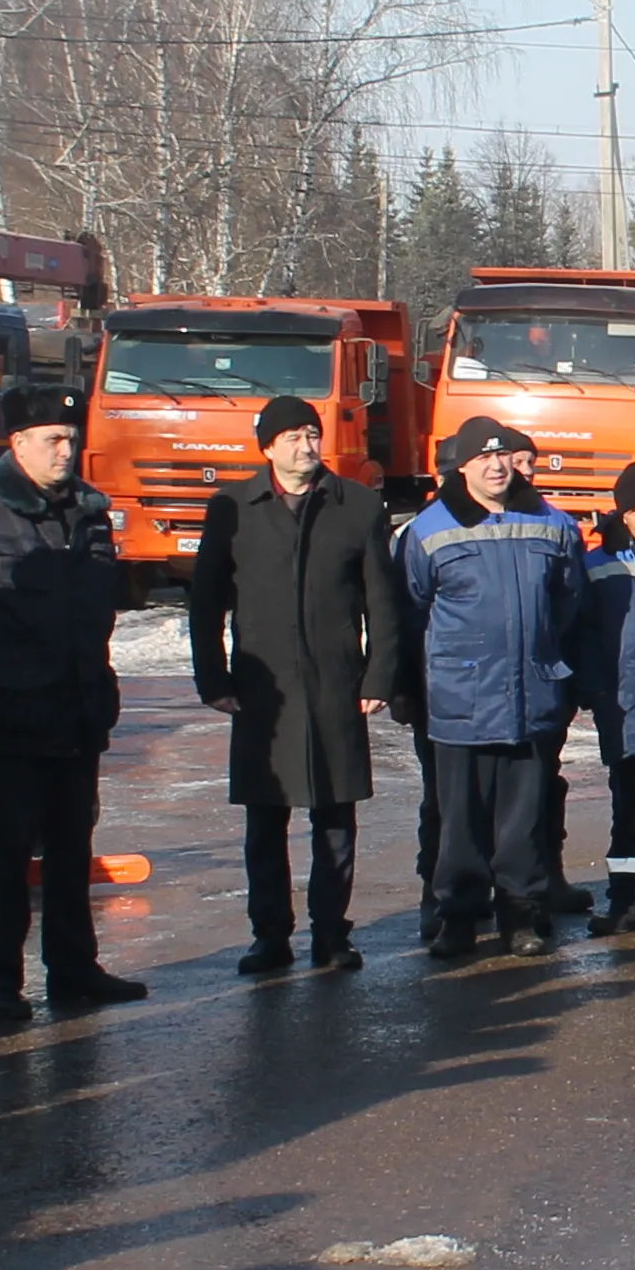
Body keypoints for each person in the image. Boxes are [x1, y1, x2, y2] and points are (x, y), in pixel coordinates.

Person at [0, 386, 147, 1020]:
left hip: (78, 711)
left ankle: (73, 969)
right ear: (19, 443)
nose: (67, 449)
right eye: (52, 439)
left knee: (69, 850)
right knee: (2, 861)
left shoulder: (88, 512)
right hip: (10, 722)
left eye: (70, 436)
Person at [191, 392, 404, 977]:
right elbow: (206, 602)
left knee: (336, 819)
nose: (307, 446)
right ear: (267, 447)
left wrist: (379, 672)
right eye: (293, 437)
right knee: (265, 821)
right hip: (264, 695)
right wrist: (213, 677)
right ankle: (270, 936)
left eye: (312, 435)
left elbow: (382, 602)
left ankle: (333, 934)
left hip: (336, 686)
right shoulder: (234, 507)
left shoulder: (356, 506)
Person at [394, 416, 583, 958]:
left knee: (523, 821)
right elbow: (411, 614)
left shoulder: (552, 523)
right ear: (463, 466)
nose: (497, 467)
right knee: (460, 821)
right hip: (460, 701)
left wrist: (543, 655)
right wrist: (410, 685)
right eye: (483, 458)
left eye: (503, 457)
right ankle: (458, 914)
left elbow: (567, 602)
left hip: (531, 696)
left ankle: (522, 915)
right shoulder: (429, 530)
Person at [568, 463, 635, 936]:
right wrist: (594, 688)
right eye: (634, 510)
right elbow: (582, 632)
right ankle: (628, 905)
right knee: (628, 816)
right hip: (624, 707)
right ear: (621, 516)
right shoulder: (597, 566)